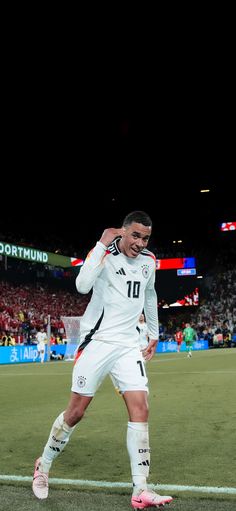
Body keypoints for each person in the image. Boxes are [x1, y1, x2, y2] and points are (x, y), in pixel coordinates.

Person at [32, 210, 173, 508]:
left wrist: (153, 333)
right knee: (76, 412)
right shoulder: (104, 254)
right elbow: (82, 286)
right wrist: (100, 244)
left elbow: (150, 294)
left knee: (141, 408)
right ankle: (42, 466)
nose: (139, 243)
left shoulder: (149, 261)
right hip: (96, 343)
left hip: (127, 346)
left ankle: (140, 490)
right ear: (122, 231)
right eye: (135, 235)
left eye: (145, 238)